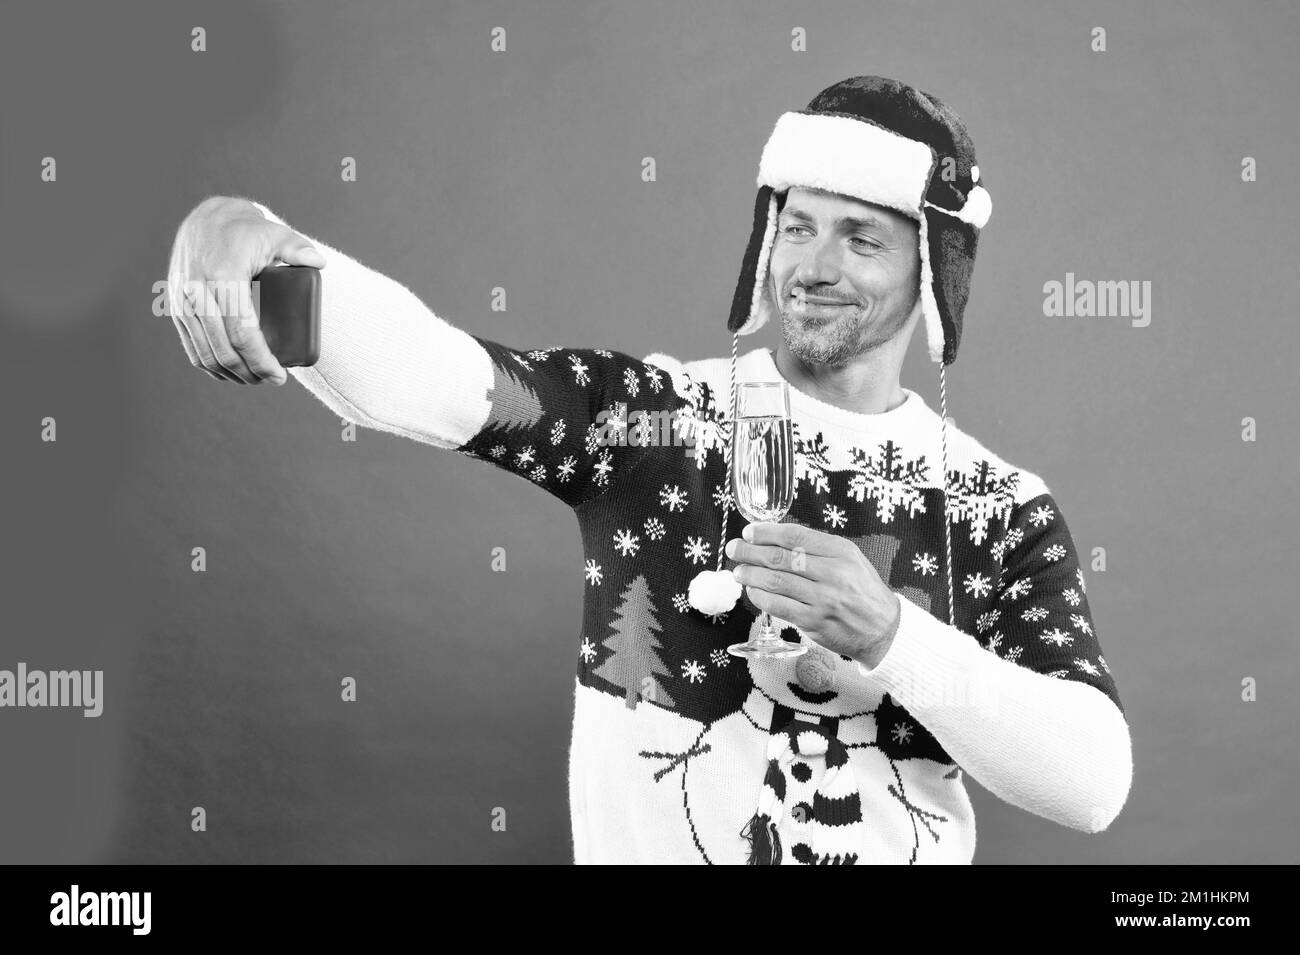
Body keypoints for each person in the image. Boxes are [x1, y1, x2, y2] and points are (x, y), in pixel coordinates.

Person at [165, 75, 1132, 864]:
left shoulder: (1001, 507)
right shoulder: (651, 416)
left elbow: (1092, 784)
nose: (816, 263)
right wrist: (258, 250)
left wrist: (891, 637)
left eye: (863, 236)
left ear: (933, 274)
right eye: (798, 225)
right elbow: (443, 379)